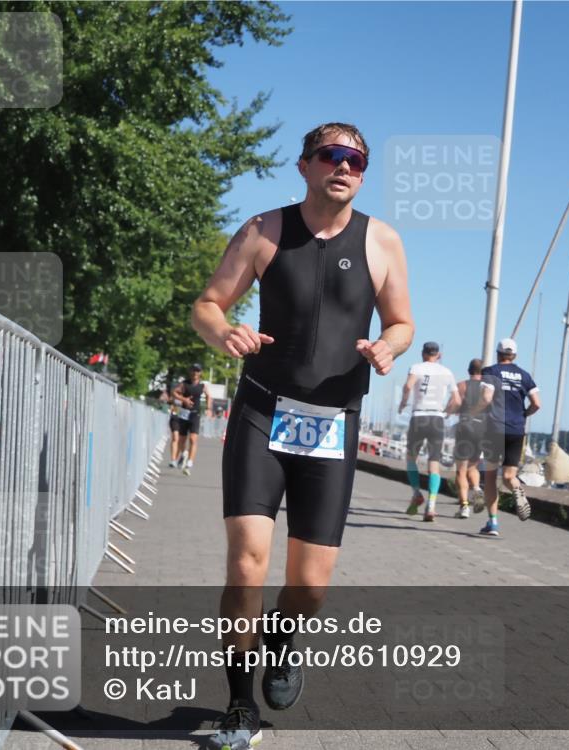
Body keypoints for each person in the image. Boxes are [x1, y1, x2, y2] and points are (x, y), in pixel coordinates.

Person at [191, 122, 413, 749]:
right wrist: (223, 332)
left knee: (310, 586)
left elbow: (401, 322)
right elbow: (207, 304)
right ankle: (239, 707)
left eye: (357, 160)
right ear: (306, 165)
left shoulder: (384, 241)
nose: (345, 167)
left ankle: (283, 643)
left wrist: (387, 347)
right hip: (262, 413)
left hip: (332, 425)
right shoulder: (264, 231)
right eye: (332, 156)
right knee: (245, 567)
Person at [476, 338, 541, 537]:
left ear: (498, 354)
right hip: (516, 429)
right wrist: (524, 415)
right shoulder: (524, 376)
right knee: (508, 476)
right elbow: (537, 404)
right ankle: (517, 490)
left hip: (494, 428)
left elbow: (487, 397)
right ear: (514, 355)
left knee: (489, 477)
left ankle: (493, 523)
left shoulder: (491, 371)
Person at [398, 341, 458, 522]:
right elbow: (456, 399)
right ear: (438, 355)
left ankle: (416, 493)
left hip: (419, 417)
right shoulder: (447, 372)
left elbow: (408, 386)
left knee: (411, 457)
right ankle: (431, 505)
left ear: (423, 353)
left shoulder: (416, 367)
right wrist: (447, 411)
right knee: (434, 463)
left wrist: (403, 402)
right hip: (437, 419)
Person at [453, 358, 487, 519]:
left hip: (465, 428)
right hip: (481, 429)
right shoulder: (487, 388)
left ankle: (464, 506)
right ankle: (477, 489)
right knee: (473, 467)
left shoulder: (462, 386)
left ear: (469, 370)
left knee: (461, 470)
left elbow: (454, 405)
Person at [171, 364, 213, 476]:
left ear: (200, 373)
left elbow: (209, 396)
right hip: (184, 414)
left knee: (193, 439)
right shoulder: (185, 384)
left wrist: (209, 408)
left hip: (195, 414)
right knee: (181, 440)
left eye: (197, 371)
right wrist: (184, 399)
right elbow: (174, 392)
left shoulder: (202, 386)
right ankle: (184, 454)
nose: (195, 373)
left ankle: (189, 462)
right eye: (193, 370)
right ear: (190, 371)